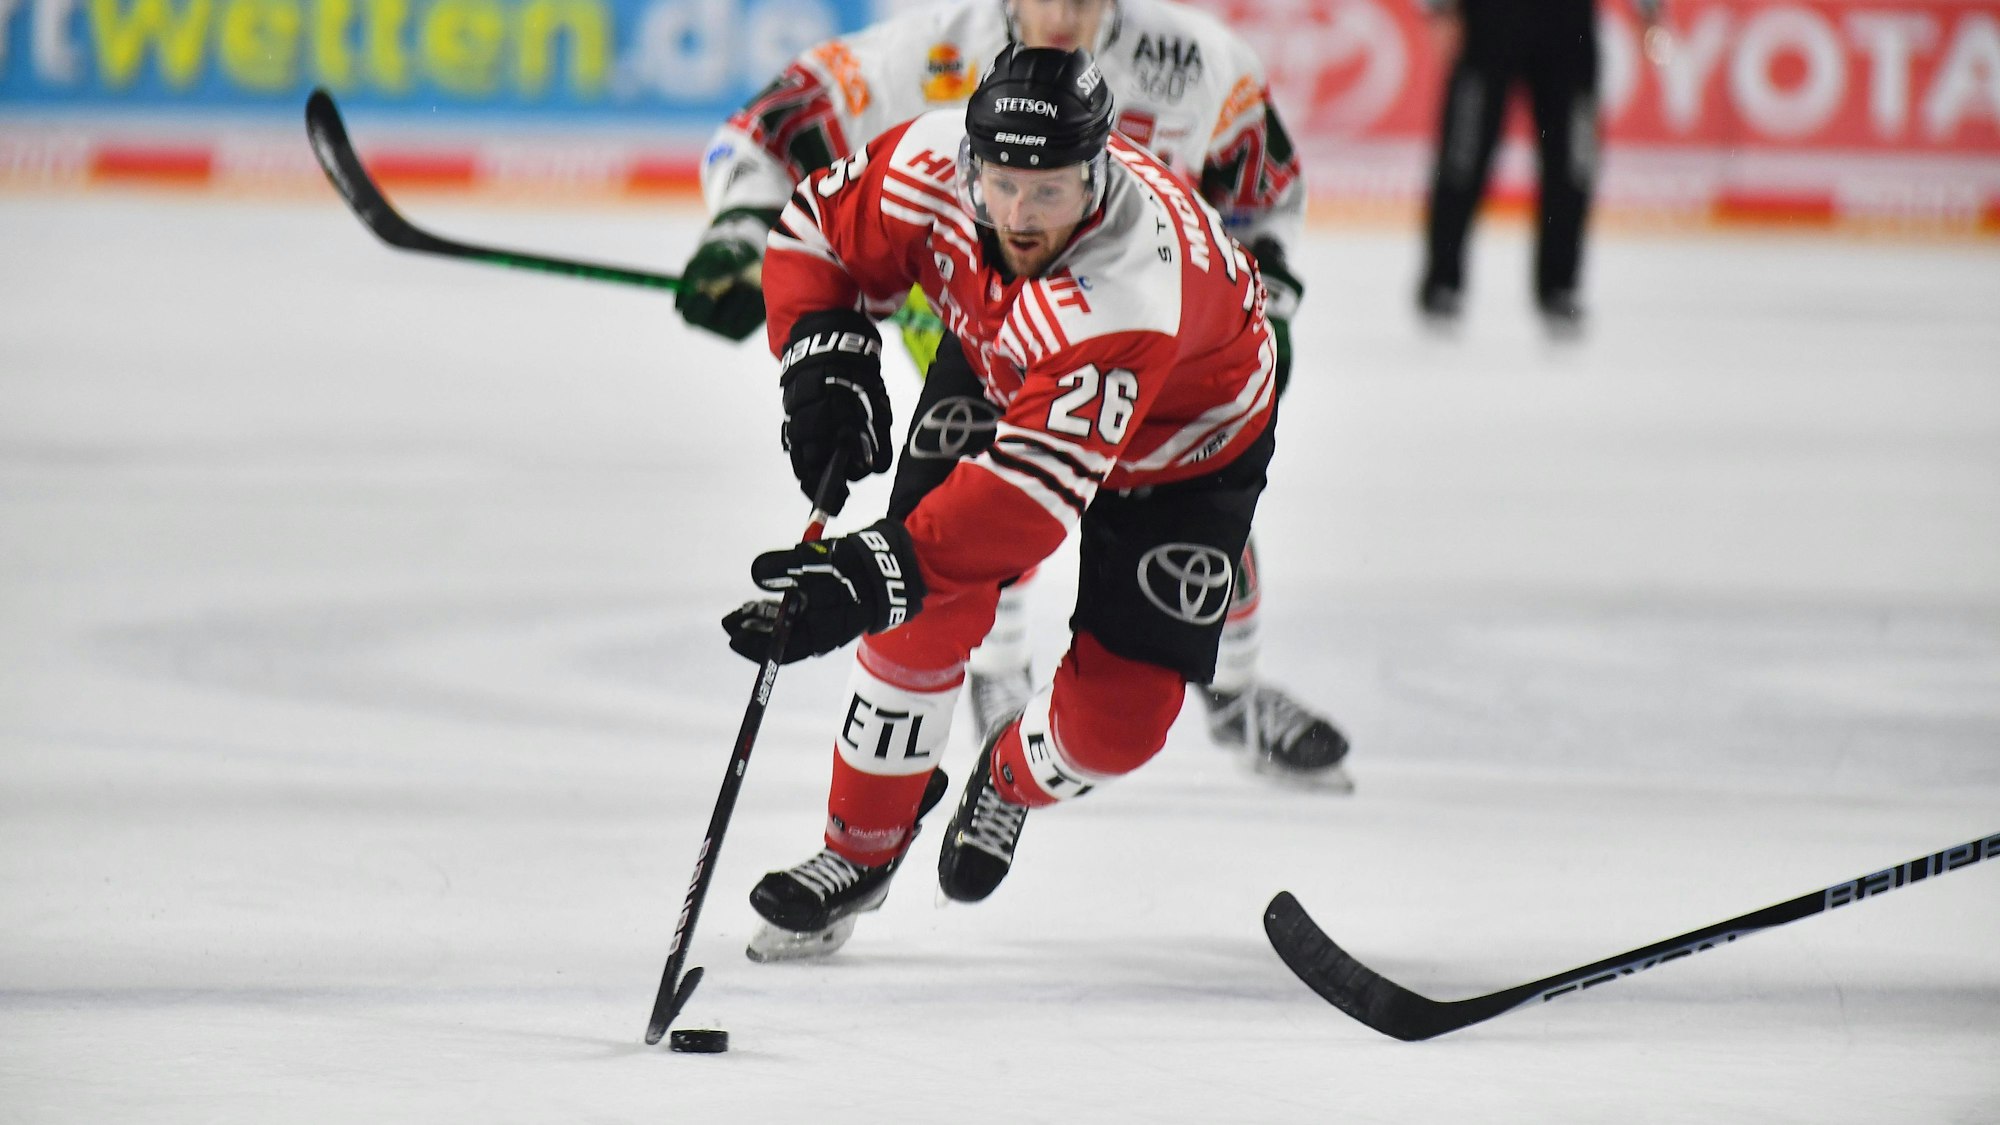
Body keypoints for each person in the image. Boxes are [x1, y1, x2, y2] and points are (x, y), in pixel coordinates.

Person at [678, 0, 1349, 783]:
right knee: (977, 503)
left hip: (1146, 339)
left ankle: (1232, 691)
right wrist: (741, 228)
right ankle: (995, 669)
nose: (1061, 12)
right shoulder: (922, 54)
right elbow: (763, 135)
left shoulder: (1199, 64)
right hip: (982, 337)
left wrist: (1274, 308)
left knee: (1194, 510)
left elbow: (1265, 193)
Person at [719, 46, 1282, 959]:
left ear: (1096, 176)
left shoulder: (1126, 286)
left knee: (1116, 726)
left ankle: (1009, 778)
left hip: (1186, 442)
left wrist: (867, 572)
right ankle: (857, 850)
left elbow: (1022, 500)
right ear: (971, 162)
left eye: (1050, 192)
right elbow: (818, 229)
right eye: (1004, 184)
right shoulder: (927, 160)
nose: (1020, 216)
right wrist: (820, 351)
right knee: (917, 613)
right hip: (1004, 363)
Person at [1414, 0, 1661, 333]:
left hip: (1567, 22)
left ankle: (1560, 284)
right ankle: (1442, 280)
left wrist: (1648, 8)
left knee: (1572, 162)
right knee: (1464, 155)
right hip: (1488, 19)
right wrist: (1440, 8)